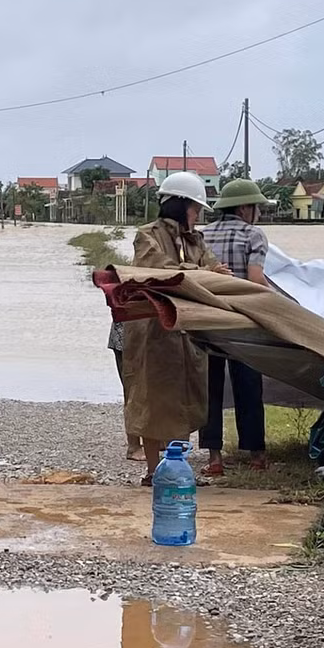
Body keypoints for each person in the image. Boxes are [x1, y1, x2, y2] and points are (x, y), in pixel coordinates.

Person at [121, 171, 232, 484]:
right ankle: (154, 471)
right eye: (195, 209)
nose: (197, 216)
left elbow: (214, 269)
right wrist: (203, 272)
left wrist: (213, 273)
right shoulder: (147, 236)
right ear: (180, 206)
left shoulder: (196, 240)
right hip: (153, 333)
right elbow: (158, 270)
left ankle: (177, 467)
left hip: (188, 333)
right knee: (153, 399)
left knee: (184, 401)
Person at [199, 178, 273, 477]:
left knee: (211, 389)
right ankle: (256, 456)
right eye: (256, 207)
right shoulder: (253, 235)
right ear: (245, 208)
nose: (258, 213)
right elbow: (255, 279)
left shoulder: (202, 235)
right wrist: (280, 303)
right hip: (242, 321)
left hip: (206, 320)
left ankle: (215, 458)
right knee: (248, 387)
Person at [107, 322, 145, 461]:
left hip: (149, 334)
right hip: (127, 336)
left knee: (156, 389)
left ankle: (155, 439)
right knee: (132, 392)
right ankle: (134, 446)